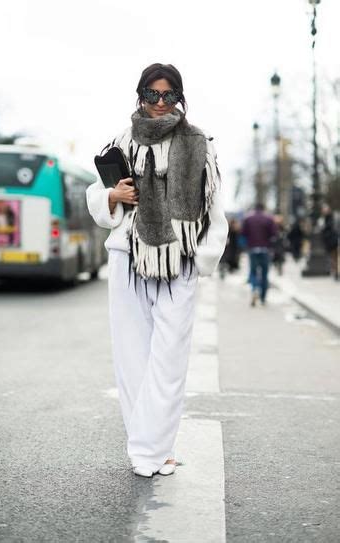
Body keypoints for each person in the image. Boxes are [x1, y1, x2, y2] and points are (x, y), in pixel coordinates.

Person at [86, 63, 228, 478]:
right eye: (152, 95)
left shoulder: (200, 142)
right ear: (140, 96)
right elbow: (97, 194)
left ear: (180, 97)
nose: (160, 103)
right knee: (131, 357)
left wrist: (203, 258)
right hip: (127, 257)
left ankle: (151, 446)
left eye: (168, 95)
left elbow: (215, 208)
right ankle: (148, 449)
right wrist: (113, 194)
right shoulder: (121, 139)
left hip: (178, 263)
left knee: (168, 359)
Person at [241, 203, 277, 306]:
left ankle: (255, 288)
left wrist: (247, 244)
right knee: (264, 273)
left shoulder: (248, 219)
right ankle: (263, 297)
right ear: (263, 209)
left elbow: (243, 233)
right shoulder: (269, 219)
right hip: (265, 249)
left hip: (252, 249)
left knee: (253, 272)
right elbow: (274, 234)